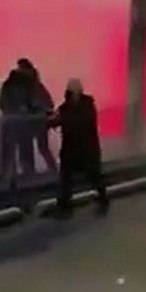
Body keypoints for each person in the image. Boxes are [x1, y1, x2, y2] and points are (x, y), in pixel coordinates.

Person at [48, 79, 109, 216]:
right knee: (66, 177)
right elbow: (59, 120)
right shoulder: (68, 107)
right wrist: (51, 121)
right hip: (73, 147)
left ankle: (102, 197)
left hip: (86, 147)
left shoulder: (86, 105)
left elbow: (83, 121)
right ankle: (65, 203)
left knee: (93, 175)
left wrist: (61, 120)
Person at [17, 59, 58, 174]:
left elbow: (46, 102)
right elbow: (48, 102)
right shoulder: (36, 84)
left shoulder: (27, 86)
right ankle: (51, 168)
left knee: (32, 147)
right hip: (37, 119)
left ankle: (30, 171)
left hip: (32, 120)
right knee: (41, 146)